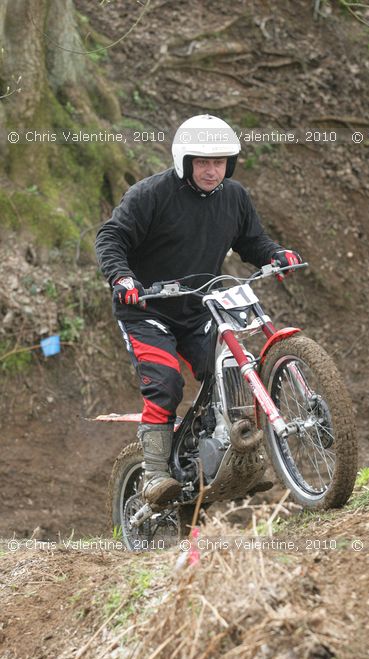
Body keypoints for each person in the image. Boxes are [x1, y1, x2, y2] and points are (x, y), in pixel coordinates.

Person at [95, 114, 302, 506]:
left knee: (228, 372)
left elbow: (251, 240)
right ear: (184, 161)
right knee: (166, 382)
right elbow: (111, 237)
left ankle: (233, 458)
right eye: (203, 162)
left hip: (197, 307)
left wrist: (275, 255)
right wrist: (122, 279)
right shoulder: (150, 195)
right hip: (146, 309)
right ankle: (155, 473)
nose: (211, 170)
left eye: (219, 162)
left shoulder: (234, 196)